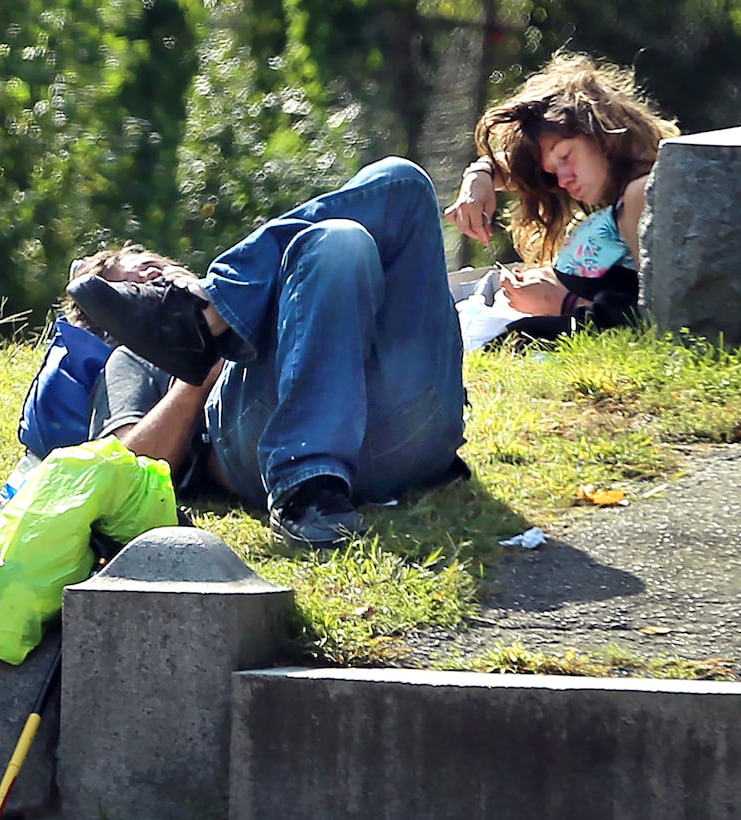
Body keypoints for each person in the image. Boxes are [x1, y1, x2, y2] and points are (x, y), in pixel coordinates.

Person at [65, 156, 468, 550]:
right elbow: (127, 468)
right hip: (268, 450)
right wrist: (195, 380)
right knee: (335, 242)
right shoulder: (130, 359)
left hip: (415, 433)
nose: (153, 274)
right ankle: (306, 485)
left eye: (153, 265)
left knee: (401, 182)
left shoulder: (269, 290)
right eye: (132, 285)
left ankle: (210, 313)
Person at [444, 52, 680, 338]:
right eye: (553, 172)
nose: (563, 180)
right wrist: (478, 177)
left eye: (566, 157)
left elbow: (653, 318)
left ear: (601, 131)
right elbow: (514, 169)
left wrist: (560, 304)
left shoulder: (639, 193)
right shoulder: (614, 183)